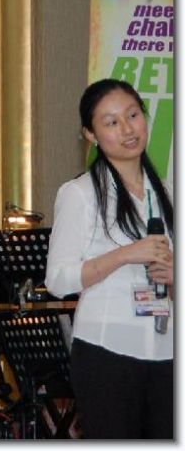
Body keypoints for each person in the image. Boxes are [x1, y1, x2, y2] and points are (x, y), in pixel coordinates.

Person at [45, 78, 173, 439]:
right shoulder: (80, 193)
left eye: (133, 115)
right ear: (91, 134)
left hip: (167, 351)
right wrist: (125, 255)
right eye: (111, 122)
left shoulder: (166, 191)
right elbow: (58, 280)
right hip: (107, 352)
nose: (128, 129)